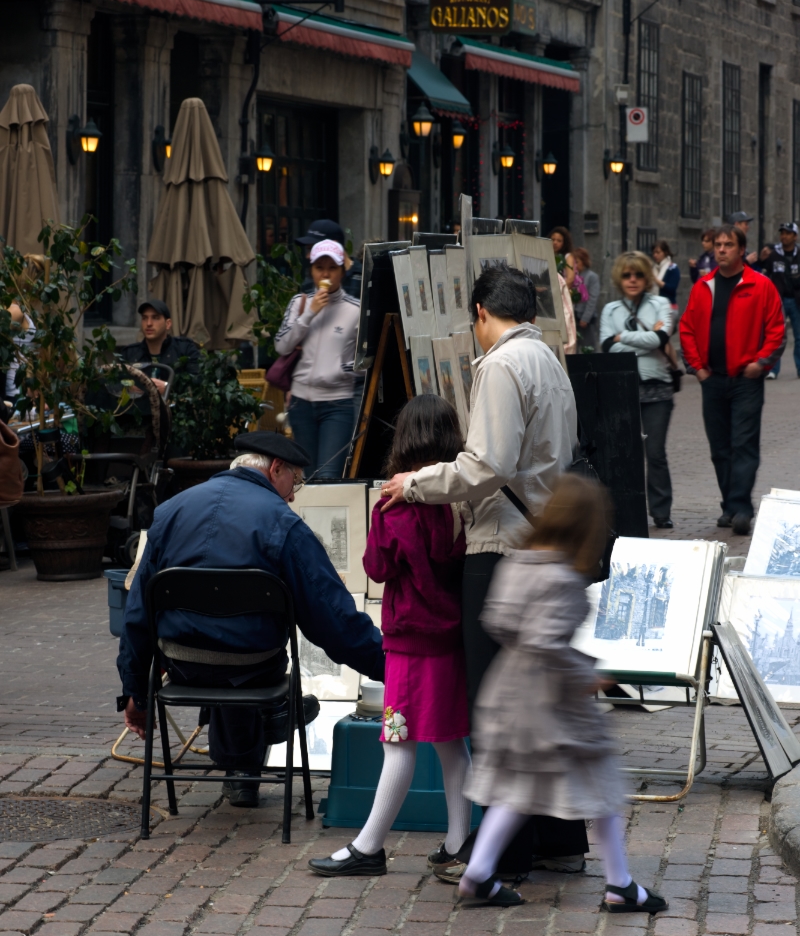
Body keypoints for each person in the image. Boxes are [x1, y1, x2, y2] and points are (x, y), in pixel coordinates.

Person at [381, 266, 588, 876]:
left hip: (501, 546)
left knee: (497, 704)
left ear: (479, 314)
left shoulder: (500, 364)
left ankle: (505, 851)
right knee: (535, 700)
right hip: (543, 540)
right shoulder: (549, 360)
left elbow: (487, 464)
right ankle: (556, 840)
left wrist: (415, 484)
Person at [118, 431, 384, 808]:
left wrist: (135, 692)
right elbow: (334, 620)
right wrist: (388, 665)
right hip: (254, 666)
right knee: (243, 650)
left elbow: (137, 615)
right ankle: (270, 724)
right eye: (296, 481)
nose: (293, 494)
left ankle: (243, 767)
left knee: (217, 638)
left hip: (182, 665)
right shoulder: (282, 522)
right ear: (276, 469)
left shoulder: (171, 510)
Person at [456, 474, 667, 914]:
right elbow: (545, 642)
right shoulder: (562, 579)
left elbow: (500, 623)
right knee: (602, 784)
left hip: (508, 691)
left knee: (518, 788)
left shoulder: (516, 562)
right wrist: (587, 674)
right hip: (550, 702)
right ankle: (620, 883)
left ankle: (478, 874)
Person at [308, 395, 473, 878]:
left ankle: (369, 845)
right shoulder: (460, 497)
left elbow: (377, 567)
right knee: (449, 741)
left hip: (407, 639)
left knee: (397, 741)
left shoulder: (393, 504)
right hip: (452, 637)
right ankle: (458, 840)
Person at [679, 225, 785, 536]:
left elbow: (776, 331)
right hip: (712, 379)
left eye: (728, 244)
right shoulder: (703, 287)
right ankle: (729, 505)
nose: (721, 249)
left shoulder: (761, 285)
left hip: (746, 380)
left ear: (741, 250)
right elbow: (686, 329)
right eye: (718, 245)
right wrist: (696, 368)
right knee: (720, 449)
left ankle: (741, 508)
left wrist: (761, 363)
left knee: (744, 445)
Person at [600, 252, 676, 530]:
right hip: (623, 388)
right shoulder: (610, 310)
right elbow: (607, 347)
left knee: (655, 452)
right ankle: (626, 511)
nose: (633, 280)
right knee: (626, 454)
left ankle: (661, 511)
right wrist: (646, 340)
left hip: (658, 391)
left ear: (646, 277)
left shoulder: (660, 304)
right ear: (619, 279)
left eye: (639, 275)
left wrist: (623, 337)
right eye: (627, 275)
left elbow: (662, 337)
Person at [274, 239, 361, 479]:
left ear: (342, 271)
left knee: (329, 476)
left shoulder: (355, 310)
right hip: (301, 403)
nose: (325, 273)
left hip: (337, 404)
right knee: (305, 476)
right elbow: (282, 346)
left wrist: (343, 369)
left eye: (332, 268)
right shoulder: (300, 303)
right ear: (311, 270)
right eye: (319, 267)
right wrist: (310, 313)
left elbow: (366, 361)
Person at [122, 300, 200, 392]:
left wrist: (168, 388)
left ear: (168, 324)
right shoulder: (129, 353)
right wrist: (128, 387)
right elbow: (115, 383)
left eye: (155, 318)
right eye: (144, 318)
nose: (149, 323)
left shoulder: (185, 348)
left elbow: (198, 383)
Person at [758, 221, 800, 379]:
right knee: (775, 336)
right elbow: (763, 272)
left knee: (799, 336)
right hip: (778, 301)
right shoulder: (773, 254)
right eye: (782, 233)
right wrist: (762, 260)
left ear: (795, 236)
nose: (784, 236)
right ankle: (773, 369)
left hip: (797, 301)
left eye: (788, 233)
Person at [296, 218, 363, 300]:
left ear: (334, 245)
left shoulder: (364, 277)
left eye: (313, 248)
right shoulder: (310, 282)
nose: (308, 256)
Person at [573, 247, 600, 351]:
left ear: (584, 262)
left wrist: (585, 318)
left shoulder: (592, 277)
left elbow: (593, 298)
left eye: (577, 262)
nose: (575, 265)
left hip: (585, 319)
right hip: (574, 316)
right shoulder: (573, 276)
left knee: (588, 347)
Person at [651, 240, 681, 313]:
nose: (655, 255)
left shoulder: (672, 268)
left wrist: (656, 280)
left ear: (665, 253)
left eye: (658, 252)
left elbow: (672, 288)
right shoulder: (653, 268)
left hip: (669, 307)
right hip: (654, 307)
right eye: (654, 252)